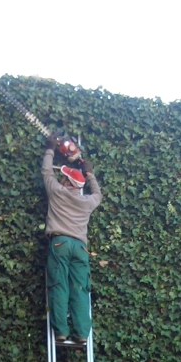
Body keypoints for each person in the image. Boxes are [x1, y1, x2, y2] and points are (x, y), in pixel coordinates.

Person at [41, 136, 102, 344]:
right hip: (80, 248)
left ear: (67, 183)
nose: (61, 180)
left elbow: (46, 172)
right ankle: (82, 334)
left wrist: (50, 150)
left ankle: (61, 332)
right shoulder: (87, 202)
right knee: (80, 289)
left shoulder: (57, 192)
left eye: (64, 178)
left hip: (61, 243)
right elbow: (98, 195)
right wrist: (90, 173)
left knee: (60, 286)